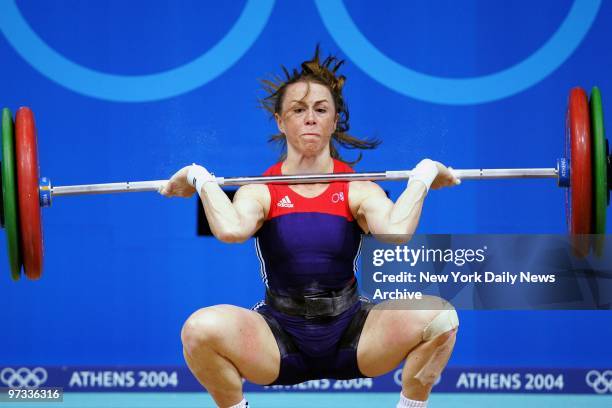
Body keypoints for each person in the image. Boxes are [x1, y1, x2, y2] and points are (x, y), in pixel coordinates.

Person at [160, 47, 460, 408]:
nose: (310, 118)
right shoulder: (261, 190)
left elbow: (396, 232)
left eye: (321, 110)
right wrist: (201, 178)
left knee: (441, 317)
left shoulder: (358, 188)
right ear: (280, 121)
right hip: (279, 338)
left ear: (334, 121)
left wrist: (422, 177)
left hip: (354, 335)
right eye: (298, 110)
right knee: (199, 330)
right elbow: (231, 230)